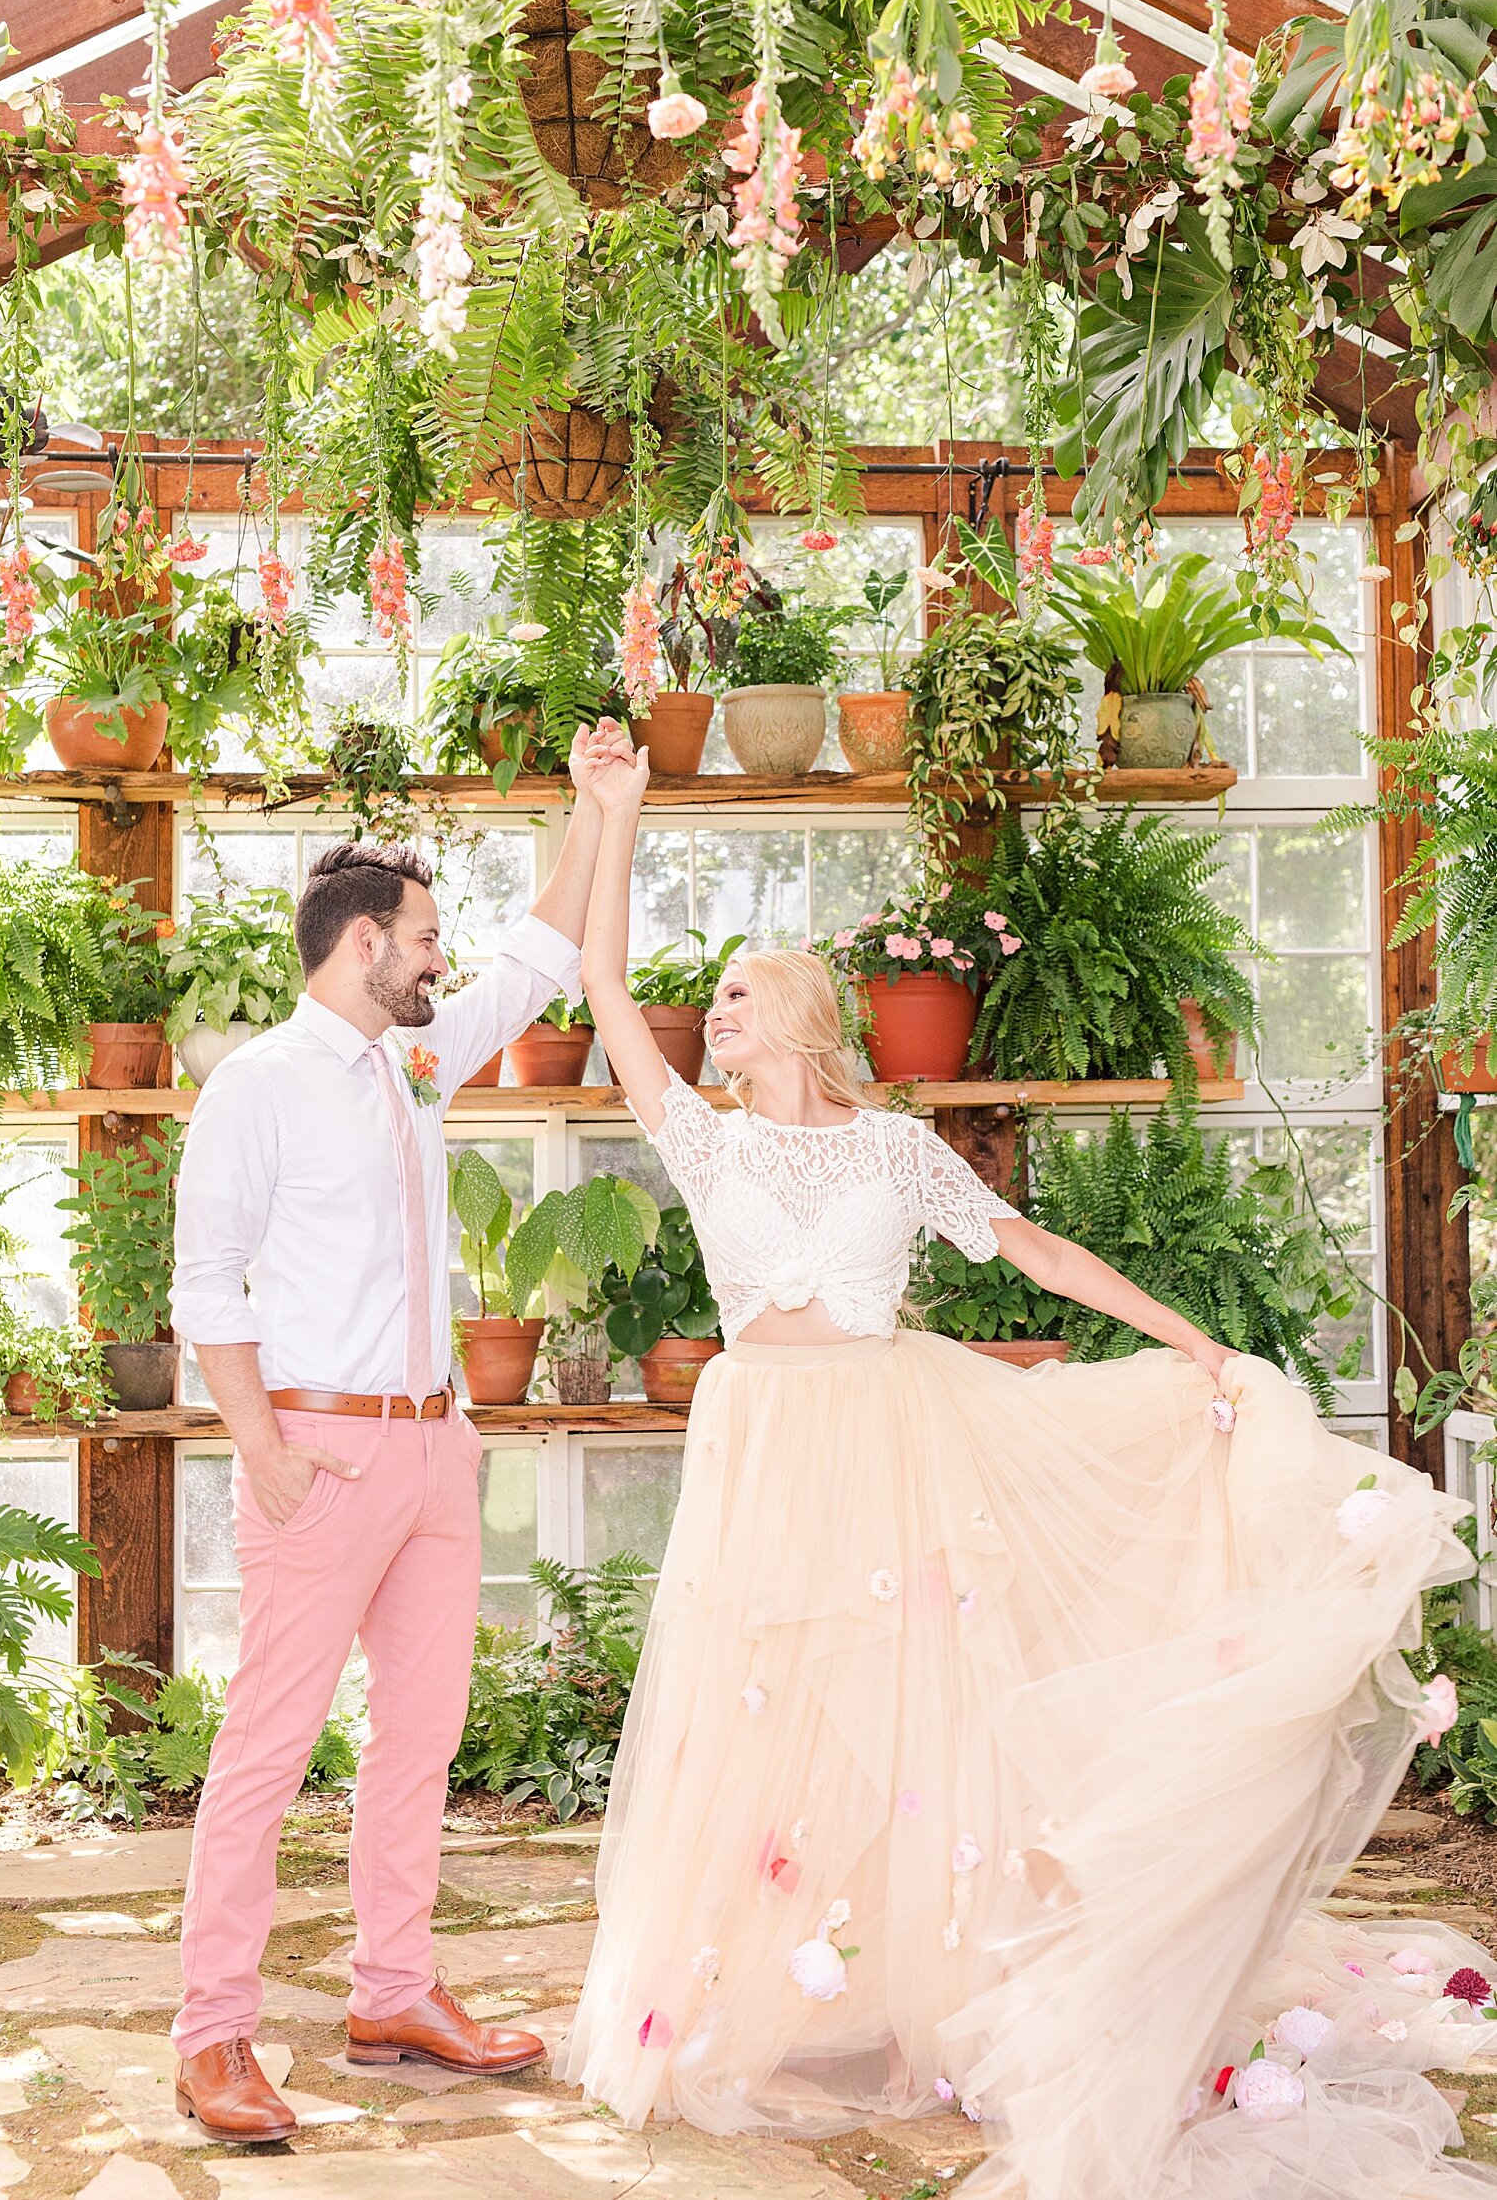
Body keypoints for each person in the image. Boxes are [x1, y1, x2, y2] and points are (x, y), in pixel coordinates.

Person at [553, 726, 1497, 2200]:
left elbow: (1039, 1250)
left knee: (921, 1708)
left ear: (801, 1016)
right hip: (761, 1447)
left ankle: (942, 1983)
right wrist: (614, 810)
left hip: (886, 1437)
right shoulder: (704, 1144)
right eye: (716, 999)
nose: (713, 1012)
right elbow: (605, 984)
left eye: (737, 993)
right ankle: (759, 1985)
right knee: (761, 1711)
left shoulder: (896, 1152)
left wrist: (1192, 1347)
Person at [168, 729, 633, 2142]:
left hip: (439, 1453)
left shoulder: (417, 1058)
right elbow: (203, 1283)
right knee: (268, 1744)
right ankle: (214, 2034)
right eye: (427, 937)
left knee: (420, 1737)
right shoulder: (257, 1084)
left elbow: (549, 959)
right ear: (365, 941)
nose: (443, 958)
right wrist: (263, 1447)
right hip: (317, 1452)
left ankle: (393, 1991)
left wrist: (597, 806)